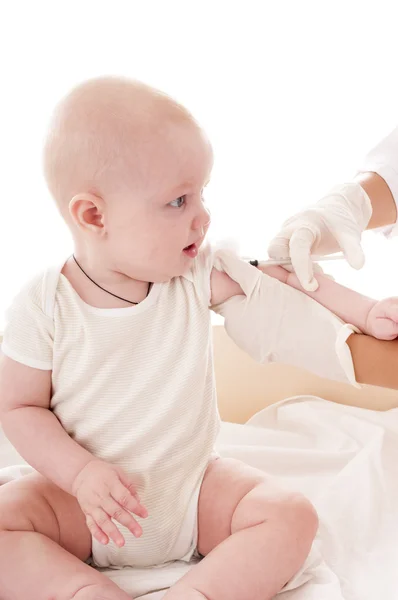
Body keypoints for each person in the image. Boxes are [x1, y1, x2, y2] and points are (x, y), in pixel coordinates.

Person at [0, 77, 396, 600]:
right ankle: (83, 590)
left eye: (202, 193)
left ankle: (197, 593)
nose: (202, 218)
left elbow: (281, 276)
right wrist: (79, 475)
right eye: (178, 201)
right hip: (86, 504)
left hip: (188, 494)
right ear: (94, 215)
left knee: (291, 515)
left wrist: (365, 310)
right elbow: (18, 409)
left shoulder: (194, 277)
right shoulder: (46, 303)